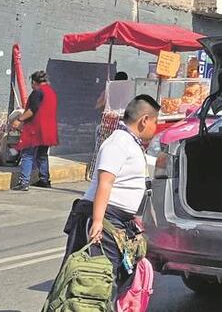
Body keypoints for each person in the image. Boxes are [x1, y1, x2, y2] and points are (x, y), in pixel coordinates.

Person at [61, 94, 160, 298]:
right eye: (156, 121)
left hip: (115, 221)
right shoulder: (118, 142)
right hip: (105, 220)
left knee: (109, 280)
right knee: (97, 282)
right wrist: (97, 222)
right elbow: (105, 182)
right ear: (144, 120)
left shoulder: (130, 143)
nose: (156, 127)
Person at [11, 70, 59, 191]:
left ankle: (24, 182)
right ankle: (44, 180)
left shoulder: (37, 92)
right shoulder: (52, 92)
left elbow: (32, 110)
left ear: (34, 82)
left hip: (36, 128)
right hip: (49, 129)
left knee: (27, 154)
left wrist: (19, 120)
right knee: (42, 155)